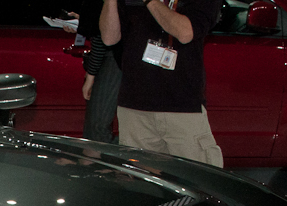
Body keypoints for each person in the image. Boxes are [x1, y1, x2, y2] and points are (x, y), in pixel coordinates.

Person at [105, 0, 224, 167]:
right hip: (134, 105)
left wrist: (150, 1)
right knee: (141, 183)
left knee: (197, 179)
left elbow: (185, 32)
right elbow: (109, 38)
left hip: (181, 105)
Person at [67, 0, 124, 144]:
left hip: (113, 58)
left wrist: (90, 76)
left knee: (97, 125)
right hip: (114, 57)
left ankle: (97, 162)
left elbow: (101, 38)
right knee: (97, 125)